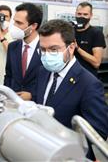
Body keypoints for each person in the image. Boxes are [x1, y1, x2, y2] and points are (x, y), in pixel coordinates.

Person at [35, 19, 108, 160]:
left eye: (54, 49)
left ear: (72, 46)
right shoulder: (43, 72)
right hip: (41, 150)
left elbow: (97, 133)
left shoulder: (89, 84)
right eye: (43, 49)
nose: (47, 55)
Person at [4, 3, 43, 100]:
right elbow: (9, 75)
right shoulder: (12, 47)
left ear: (33, 26)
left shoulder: (46, 49)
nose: (14, 26)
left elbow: (49, 82)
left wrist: (32, 96)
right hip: (13, 103)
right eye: (14, 22)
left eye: (19, 23)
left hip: (36, 106)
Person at [74, 2, 106, 77]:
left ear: (91, 15)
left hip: (87, 76)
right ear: (75, 14)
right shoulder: (69, 31)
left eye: (85, 14)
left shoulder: (96, 33)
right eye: (79, 14)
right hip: (71, 75)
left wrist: (77, 48)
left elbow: (96, 63)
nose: (81, 17)